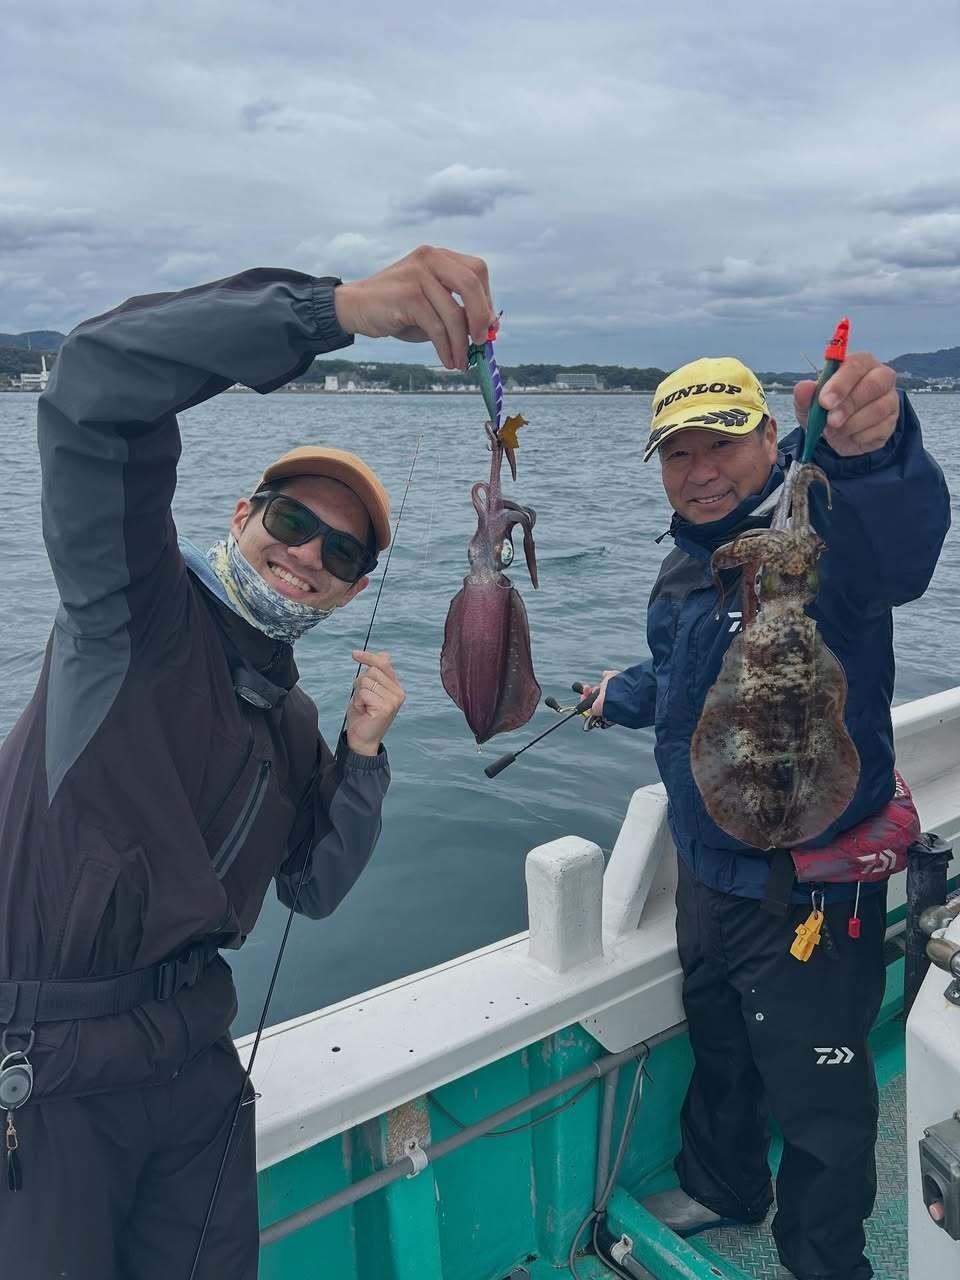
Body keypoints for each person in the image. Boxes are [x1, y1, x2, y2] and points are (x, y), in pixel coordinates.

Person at [0, 247, 497, 1278]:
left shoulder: (292, 718)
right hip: (54, 1069)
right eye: (293, 520)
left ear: (350, 593)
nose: (309, 554)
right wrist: (333, 310)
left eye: (341, 553)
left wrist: (361, 757)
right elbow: (93, 387)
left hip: (196, 1066)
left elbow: (310, 886)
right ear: (241, 516)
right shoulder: (127, 614)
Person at [583, 352, 950, 1280]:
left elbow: (899, 551)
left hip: (810, 885)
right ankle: (725, 1185)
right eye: (678, 453)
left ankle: (825, 1262)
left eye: (723, 444)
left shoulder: (825, 536)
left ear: (769, 438)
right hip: (710, 870)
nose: (700, 471)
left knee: (822, 1100)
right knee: (721, 1046)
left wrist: (875, 455)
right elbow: (686, 675)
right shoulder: (689, 564)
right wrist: (623, 696)